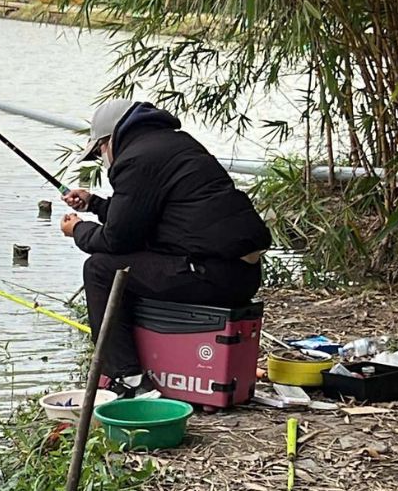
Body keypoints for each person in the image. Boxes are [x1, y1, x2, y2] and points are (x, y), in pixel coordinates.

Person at [60, 99, 271, 397]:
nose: (102, 158)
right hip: (240, 274)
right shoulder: (173, 143)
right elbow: (145, 220)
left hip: (211, 276)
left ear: (110, 140)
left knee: (99, 268)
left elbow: (116, 241)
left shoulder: (135, 159)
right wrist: (94, 204)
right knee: (126, 262)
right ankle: (137, 365)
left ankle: (127, 378)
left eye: (99, 151)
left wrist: (78, 230)